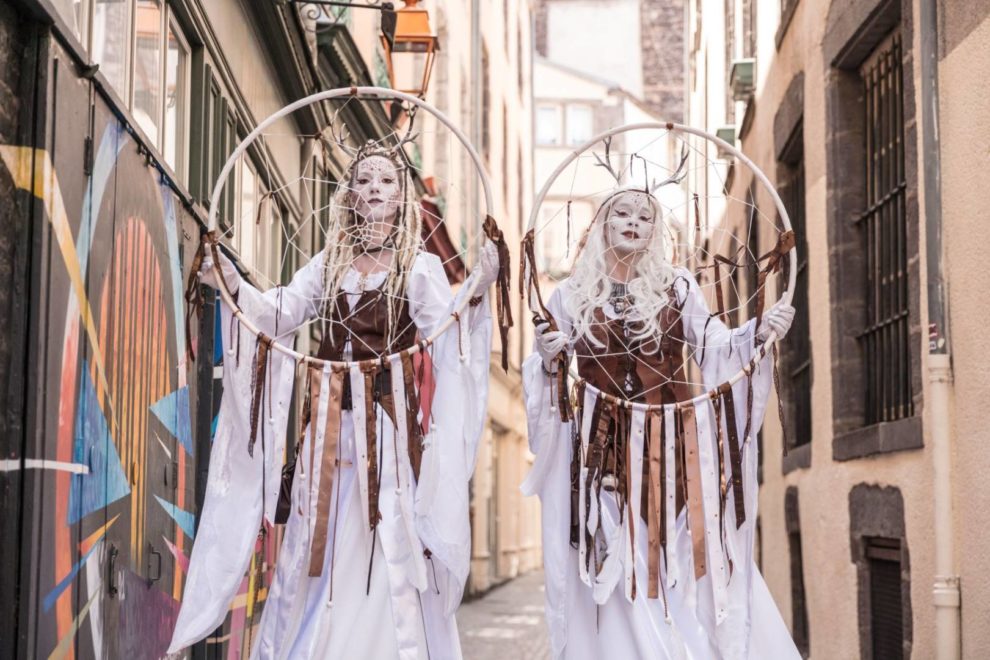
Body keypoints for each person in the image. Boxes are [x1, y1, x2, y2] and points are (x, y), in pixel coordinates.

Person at [169, 143, 500, 659]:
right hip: (326, 430)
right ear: (348, 195)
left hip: (387, 433)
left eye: (386, 181)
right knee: (315, 541)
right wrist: (229, 278)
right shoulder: (329, 264)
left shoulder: (418, 267)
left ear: (401, 198)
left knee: (383, 536)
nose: (375, 188)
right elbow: (278, 313)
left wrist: (479, 285)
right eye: (364, 180)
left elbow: (448, 331)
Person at [521, 188, 799, 658]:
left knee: (678, 557)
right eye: (622, 213)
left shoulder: (678, 287)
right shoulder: (569, 296)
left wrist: (760, 330)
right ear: (603, 224)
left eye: (645, 216)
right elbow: (548, 373)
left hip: (672, 452)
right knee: (614, 559)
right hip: (600, 459)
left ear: (655, 231)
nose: (633, 222)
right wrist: (548, 359)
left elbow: (715, 345)